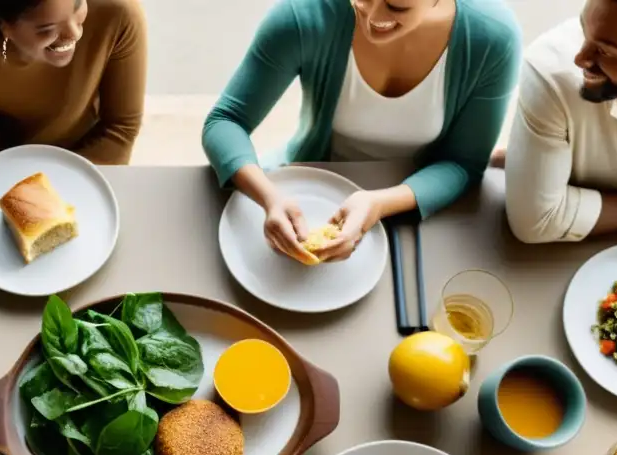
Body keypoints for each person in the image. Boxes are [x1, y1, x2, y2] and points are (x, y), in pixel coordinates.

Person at [201, 0, 521, 264]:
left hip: (416, 208)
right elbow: (226, 120)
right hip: (307, 185)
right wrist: (269, 196)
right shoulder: (304, 15)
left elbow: (463, 163)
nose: (372, 16)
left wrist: (379, 204)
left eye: (397, 7)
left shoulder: (493, 38)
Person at [504, 0, 617, 243]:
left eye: (605, 51)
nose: (580, 59)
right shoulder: (551, 74)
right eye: (584, 29)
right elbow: (534, 221)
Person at [0, 0, 147, 166]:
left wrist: (42, 192)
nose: (74, 33)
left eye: (77, 3)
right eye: (47, 28)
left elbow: (121, 127)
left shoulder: (118, 11)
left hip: (86, 160)